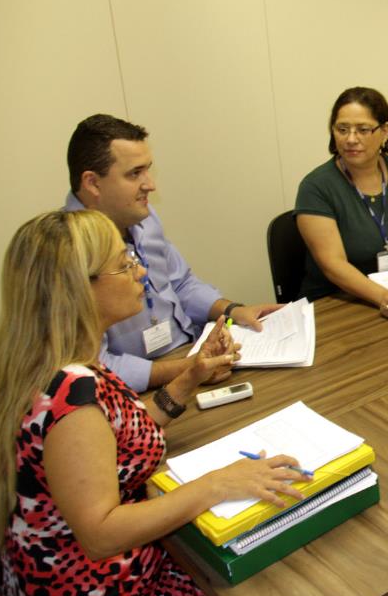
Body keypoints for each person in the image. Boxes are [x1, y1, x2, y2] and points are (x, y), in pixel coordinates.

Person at [0, 210, 307, 596]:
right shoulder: (71, 395)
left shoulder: (63, 362)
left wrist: (190, 378)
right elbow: (101, 533)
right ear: (79, 289)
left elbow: (117, 435)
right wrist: (218, 484)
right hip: (99, 592)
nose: (140, 273)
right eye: (124, 266)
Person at [66, 113, 281, 392]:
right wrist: (187, 370)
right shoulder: (64, 253)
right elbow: (90, 368)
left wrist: (232, 311)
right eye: (135, 173)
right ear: (93, 183)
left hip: (189, 358)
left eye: (148, 170)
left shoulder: (143, 216)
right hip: (140, 390)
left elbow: (181, 283)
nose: (150, 184)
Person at [295, 87, 388, 318]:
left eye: (363, 130)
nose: (351, 139)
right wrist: (382, 296)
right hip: (335, 305)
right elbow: (332, 265)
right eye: (342, 129)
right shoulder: (316, 187)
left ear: (385, 131)